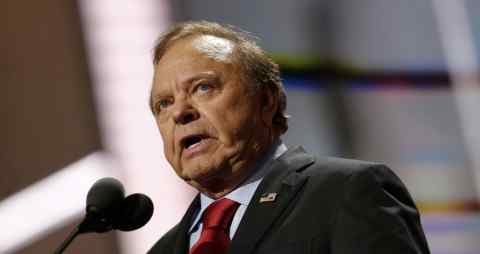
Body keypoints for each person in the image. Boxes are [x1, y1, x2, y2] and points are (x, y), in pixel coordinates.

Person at [147, 21, 430, 254]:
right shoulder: (163, 250)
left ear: (266, 100)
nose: (180, 112)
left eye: (203, 87)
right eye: (164, 103)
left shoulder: (347, 191)